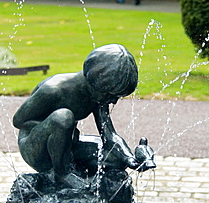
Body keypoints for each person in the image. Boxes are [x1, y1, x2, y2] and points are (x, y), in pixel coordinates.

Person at [13, 44, 141, 189]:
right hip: (36, 149)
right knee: (63, 117)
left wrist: (130, 158)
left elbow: (109, 134)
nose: (113, 101)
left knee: (115, 159)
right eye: (111, 94)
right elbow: (19, 121)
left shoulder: (98, 96)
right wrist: (59, 129)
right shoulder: (53, 90)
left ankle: (73, 168)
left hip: (67, 145)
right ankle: (62, 174)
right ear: (95, 82)